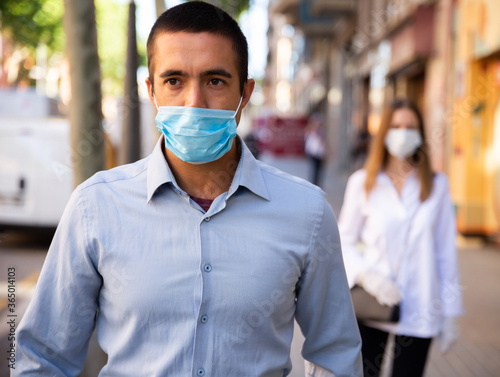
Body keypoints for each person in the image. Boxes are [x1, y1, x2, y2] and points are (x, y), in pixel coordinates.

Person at [14, 2, 362, 376]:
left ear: (244, 94)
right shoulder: (95, 206)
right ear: (151, 91)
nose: (194, 103)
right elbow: (42, 357)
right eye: (174, 81)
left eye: (215, 81)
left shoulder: (306, 212)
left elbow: (335, 354)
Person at [338, 98, 464, 377]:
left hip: (421, 306)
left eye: (410, 126)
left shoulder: (438, 185)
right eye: (395, 126)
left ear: (420, 132)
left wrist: (451, 311)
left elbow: (445, 252)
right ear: (384, 132)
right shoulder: (363, 183)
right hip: (372, 302)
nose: (403, 133)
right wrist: (367, 276)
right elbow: (342, 241)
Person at [304, 113, 327, 186]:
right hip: (313, 153)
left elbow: (323, 142)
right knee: (314, 168)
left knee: (319, 169)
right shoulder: (311, 131)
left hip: (320, 153)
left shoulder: (321, 132)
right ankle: (313, 182)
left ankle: (317, 182)